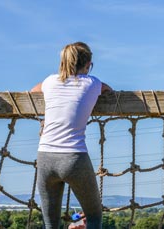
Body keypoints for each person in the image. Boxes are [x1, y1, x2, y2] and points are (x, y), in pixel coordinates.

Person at [31, 42, 112, 228]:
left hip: (45, 157)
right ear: (89, 64)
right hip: (74, 157)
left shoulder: (50, 81)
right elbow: (109, 90)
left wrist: (44, 119)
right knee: (93, 217)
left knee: (50, 223)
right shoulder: (92, 83)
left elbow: (32, 92)